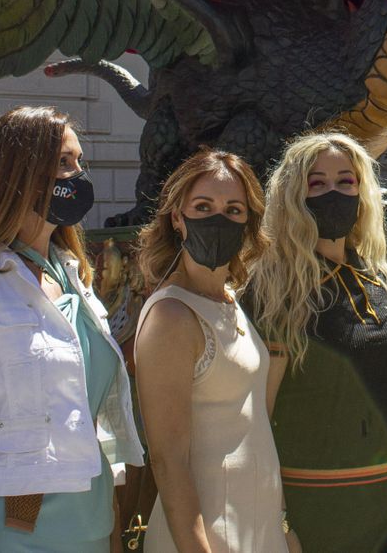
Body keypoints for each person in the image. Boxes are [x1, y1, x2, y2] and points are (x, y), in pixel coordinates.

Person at [0, 107, 142, 552]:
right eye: (64, 161)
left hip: (95, 519)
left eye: (79, 162)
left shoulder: (75, 275)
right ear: (17, 173)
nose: (77, 174)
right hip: (18, 524)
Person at [249, 132, 387, 553]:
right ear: (293, 196)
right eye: (318, 184)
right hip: (325, 514)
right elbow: (258, 420)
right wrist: (278, 519)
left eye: (346, 182)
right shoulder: (273, 294)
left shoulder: (382, 280)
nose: (335, 193)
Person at [133, 148, 286, 553]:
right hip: (206, 535)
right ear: (178, 219)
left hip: (257, 523)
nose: (219, 218)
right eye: (203, 206)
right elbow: (168, 460)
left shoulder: (229, 300)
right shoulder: (171, 315)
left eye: (233, 209)